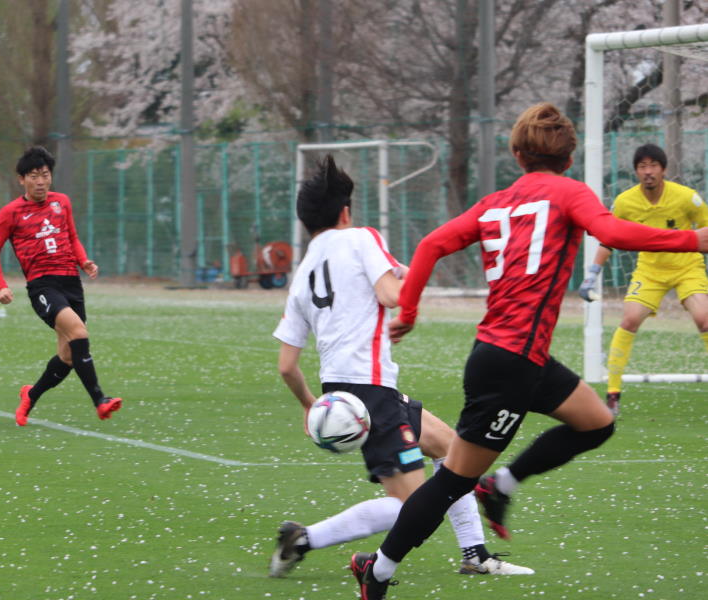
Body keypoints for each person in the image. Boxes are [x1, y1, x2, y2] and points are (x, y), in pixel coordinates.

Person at [349, 103, 708, 599]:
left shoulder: (494, 202)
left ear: (517, 155)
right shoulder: (570, 192)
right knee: (452, 480)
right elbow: (615, 233)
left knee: (597, 422)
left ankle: (502, 487)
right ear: (569, 157)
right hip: (509, 366)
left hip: (520, 357)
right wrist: (694, 239)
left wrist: (408, 311)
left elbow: (430, 244)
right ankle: (378, 569)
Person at [270, 155, 532, 580]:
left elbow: (286, 365)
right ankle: (305, 538)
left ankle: (475, 554)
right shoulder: (360, 238)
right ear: (345, 211)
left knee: (453, 451)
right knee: (413, 506)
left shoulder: (302, 273)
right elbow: (392, 295)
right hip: (370, 392)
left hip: (345, 391)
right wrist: (416, 283)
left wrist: (309, 405)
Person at [0, 146, 121, 425]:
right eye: (34, 176)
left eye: (45, 175)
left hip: (71, 281)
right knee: (79, 333)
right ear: (21, 179)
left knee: (68, 355)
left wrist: (83, 261)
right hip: (42, 286)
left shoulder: (62, 203)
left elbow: (72, 235)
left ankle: (31, 395)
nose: (41, 181)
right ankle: (100, 400)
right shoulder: (11, 212)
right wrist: (1, 285)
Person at [578, 143, 708, 416]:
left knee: (704, 318)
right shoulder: (625, 202)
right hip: (649, 271)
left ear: (664, 170)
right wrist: (592, 274)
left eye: (653, 166)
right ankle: (613, 394)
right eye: (642, 167)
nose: (648, 172)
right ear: (636, 171)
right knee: (629, 320)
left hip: (687, 268)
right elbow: (608, 238)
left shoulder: (687, 198)